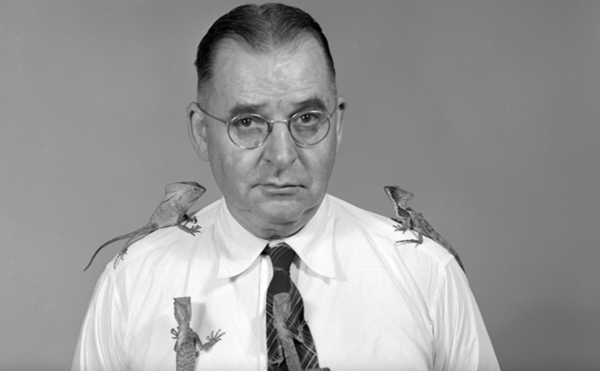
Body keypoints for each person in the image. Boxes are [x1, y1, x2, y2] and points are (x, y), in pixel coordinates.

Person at [72, 3, 500, 370]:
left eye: (308, 118)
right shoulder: (132, 282)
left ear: (338, 125)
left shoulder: (427, 274)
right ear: (202, 132)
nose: (282, 155)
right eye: (246, 122)